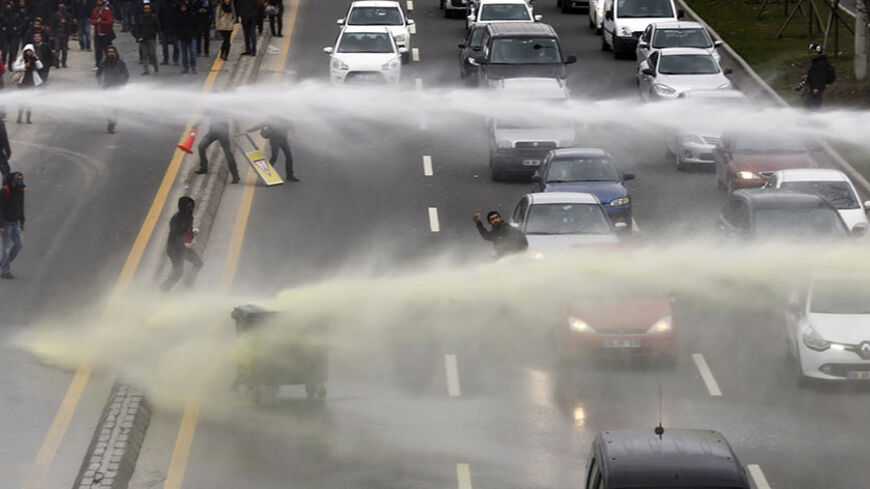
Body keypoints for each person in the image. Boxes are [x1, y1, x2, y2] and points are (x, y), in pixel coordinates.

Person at [160, 196, 203, 290]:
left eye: (191, 207)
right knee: (178, 272)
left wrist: (193, 231)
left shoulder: (190, 216)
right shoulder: (175, 219)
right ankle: (163, 289)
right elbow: (175, 235)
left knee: (198, 263)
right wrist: (184, 243)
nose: (190, 209)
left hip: (184, 248)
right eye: (188, 207)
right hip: (174, 249)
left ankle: (188, 284)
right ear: (183, 207)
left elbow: (187, 230)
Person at [194, 114, 240, 183]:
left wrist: (237, 131)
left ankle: (235, 176)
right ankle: (203, 168)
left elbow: (234, 117)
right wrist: (195, 126)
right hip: (212, 132)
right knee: (201, 147)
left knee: (228, 154)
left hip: (223, 134)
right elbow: (202, 117)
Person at [96, 45, 128, 133]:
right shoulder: (104, 62)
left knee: (114, 107)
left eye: (112, 52)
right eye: (109, 52)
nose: (111, 54)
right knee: (105, 107)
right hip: (106, 86)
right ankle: (109, 119)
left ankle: (112, 124)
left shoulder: (120, 63)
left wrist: (123, 83)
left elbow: (126, 74)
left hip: (116, 87)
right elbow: (98, 73)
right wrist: (100, 82)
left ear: (115, 52)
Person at [0, 171, 25, 279]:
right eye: (18, 179)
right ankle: (4, 271)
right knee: (7, 247)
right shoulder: (5, 191)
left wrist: (22, 220)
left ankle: (2, 263)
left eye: (21, 179)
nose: (20, 181)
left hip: (15, 222)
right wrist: (0, 225)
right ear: (13, 180)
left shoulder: (20, 190)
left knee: (19, 244)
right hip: (5, 223)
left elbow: (21, 205)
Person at [12, 44, 42, 124]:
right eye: (27, 51)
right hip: (22, 82)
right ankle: (19, 117)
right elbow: (15, 67)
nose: (29, 52)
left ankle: (28, 118)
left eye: (30, 51)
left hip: (31, 82)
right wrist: (24, 66)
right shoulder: (21, 58)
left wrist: (36, 59)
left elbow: (40, 66)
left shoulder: (34, 58)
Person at [802, 43, 833, 110]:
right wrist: (807, 76)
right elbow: (814, 73)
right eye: (812, 52)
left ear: (819, 53)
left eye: (815, 52)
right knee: (808, 102)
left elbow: (822, 76)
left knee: (814, 104)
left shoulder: (822, 63)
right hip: (812, 87)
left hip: (817, 89)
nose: (813, 54)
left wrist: (817, 88)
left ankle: (816, 116)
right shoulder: (815, 62)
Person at [133, 0, 159, 74]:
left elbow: (157, 27)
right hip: (143, 38)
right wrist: (137, 36)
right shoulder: (140, 17)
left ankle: (155, 65)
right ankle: (146, 70)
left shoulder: (154, 17)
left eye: (148, 8)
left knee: (152, 54)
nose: (146, 10)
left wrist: (159, 35)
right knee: (144, 54)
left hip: (151, 37)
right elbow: (136, 28)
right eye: (145, 9)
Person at [89, 0, 114, 70]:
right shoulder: (95, 10)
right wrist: (94, 22)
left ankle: (109, 64)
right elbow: (91, 20)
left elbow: (110, 22)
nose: (99, 2)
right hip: (97, 33)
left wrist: (101, 22)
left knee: (107, 50)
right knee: (98, 50)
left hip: (106, 33)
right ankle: (98, 65)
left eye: (100, 1)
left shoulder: (108, 11)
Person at [49, 1, 75, 67]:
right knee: (57, 49)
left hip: (65, 34)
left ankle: (64, 63)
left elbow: (71, 24)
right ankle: (56, 63)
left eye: (62, 5)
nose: (61, 6)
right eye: (60, 5)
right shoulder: (55, 15)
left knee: (64, 49)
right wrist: (52, 34)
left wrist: (65, 22)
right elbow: (52, 25)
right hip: (57, 34)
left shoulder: (68, 15)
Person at [174, 1, 196, 73]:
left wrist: (195, 34)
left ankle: (193, 67)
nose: (183, 8)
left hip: (191, 36)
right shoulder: (178, 16)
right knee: (184, 54)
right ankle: (186, 67)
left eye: (184, 7)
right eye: (182, 7)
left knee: (192, 52)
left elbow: (195, 25)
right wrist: (178, 36)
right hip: (183, 37)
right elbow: (176, 27)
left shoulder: (191, 15)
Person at [157, 0, 178, 65]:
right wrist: (161, 26)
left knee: (176, 46)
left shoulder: (175, 4)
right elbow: (159, 16)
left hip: (174, 28)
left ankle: (175, 60)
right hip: (165, 28)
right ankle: (166, 59)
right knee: (165, 45)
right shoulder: (162, 4)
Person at [2, 1, 23, 65]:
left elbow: (20, 23)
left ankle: (10, 64)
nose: (8, 7)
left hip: (13, 34)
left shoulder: (16, 15)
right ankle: (3, 62)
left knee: (12, 50)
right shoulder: (2, 15)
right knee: (4, 50)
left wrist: (17, 28)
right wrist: (2, 27)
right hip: (4, 34)